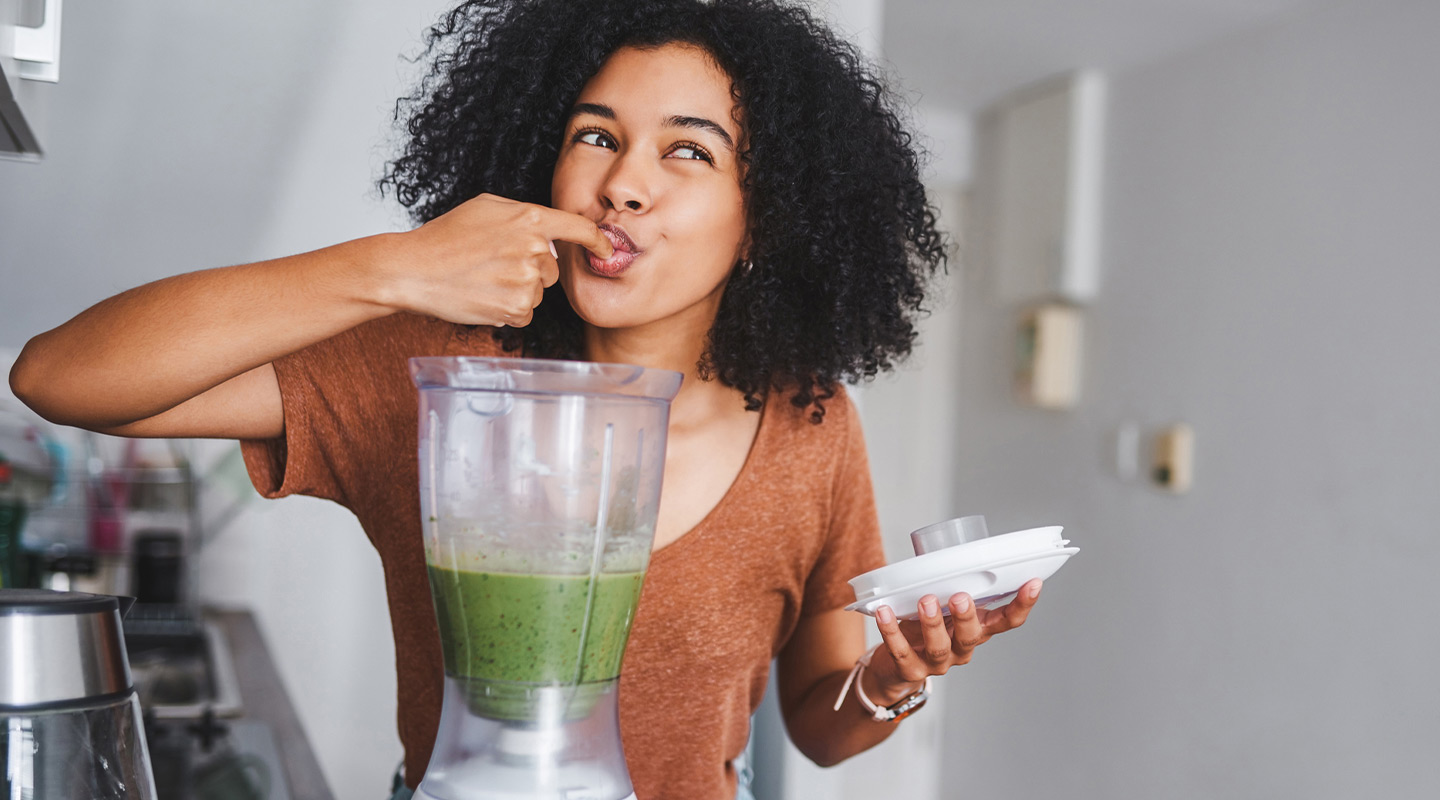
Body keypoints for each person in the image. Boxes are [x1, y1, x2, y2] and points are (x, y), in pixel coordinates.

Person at [9, 1, 1045, 798]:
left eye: (688, 149)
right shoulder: (435, 373)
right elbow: (59, 376)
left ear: (764, 217)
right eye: (597, 134)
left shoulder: (808, 426)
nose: (622, 182)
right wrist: (396, 267)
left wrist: (896, 674)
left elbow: (822, 727)